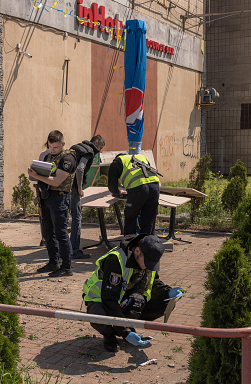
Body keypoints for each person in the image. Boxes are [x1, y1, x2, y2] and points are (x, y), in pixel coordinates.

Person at [82, 234, 182, 352]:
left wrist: (168, 292)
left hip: (124, 298)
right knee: (98, 316)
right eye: (147, 262)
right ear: (137, 250)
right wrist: (125, 332)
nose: (148, 267)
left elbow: (153, 281)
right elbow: (110, 299)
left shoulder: (146, 257)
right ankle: (109, 334)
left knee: (164, 304)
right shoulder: (116, 260)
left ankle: (122, 327)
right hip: (102, 300)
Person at [28, 130, 77, 277]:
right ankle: (53, 262)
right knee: (48, 233)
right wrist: (34, 173)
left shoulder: (68, 158)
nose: (52, 150)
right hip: (47, 197)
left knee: (61, 233)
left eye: (55, 147)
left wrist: (36, 175)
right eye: (50, 146)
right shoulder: (48, 156)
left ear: (63, 144)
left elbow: (57, 181)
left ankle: (66, 266)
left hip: (59, 198)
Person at [69, 135, 106, 259]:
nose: (100, 151)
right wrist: (79, 188)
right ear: (96, 142)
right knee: (77, 218)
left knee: (65, 218)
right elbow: (80, 169)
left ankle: (66, 248)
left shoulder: (77, 147)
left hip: (64, 186)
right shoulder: (88, 151)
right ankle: (74, 250)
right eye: (100, 148)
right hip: (73, 187)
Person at [108, 153, 161, 235]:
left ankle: (130, 244)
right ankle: (145, 244)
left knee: (130, 217)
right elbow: (144, 175)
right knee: (148, 218)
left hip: (139, 189)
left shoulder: (116, 162)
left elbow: (112, 187)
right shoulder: (141, 157)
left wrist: (118, 193)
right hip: (155, 187)